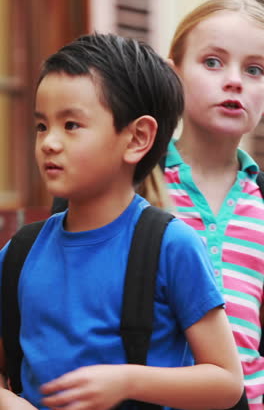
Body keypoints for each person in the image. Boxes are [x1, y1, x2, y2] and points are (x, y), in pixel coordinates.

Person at [0, 33, 243, 410]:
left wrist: (127, 379)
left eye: (71, 125)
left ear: (137, 139)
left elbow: (226, 381)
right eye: (42, 126)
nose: (49, 142)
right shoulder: (20, 252)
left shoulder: (170, 245)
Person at [162, 0, 264, 410]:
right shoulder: (132, 187)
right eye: (212, 62)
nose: (235, 81)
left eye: (255, 69)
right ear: (173, 76)